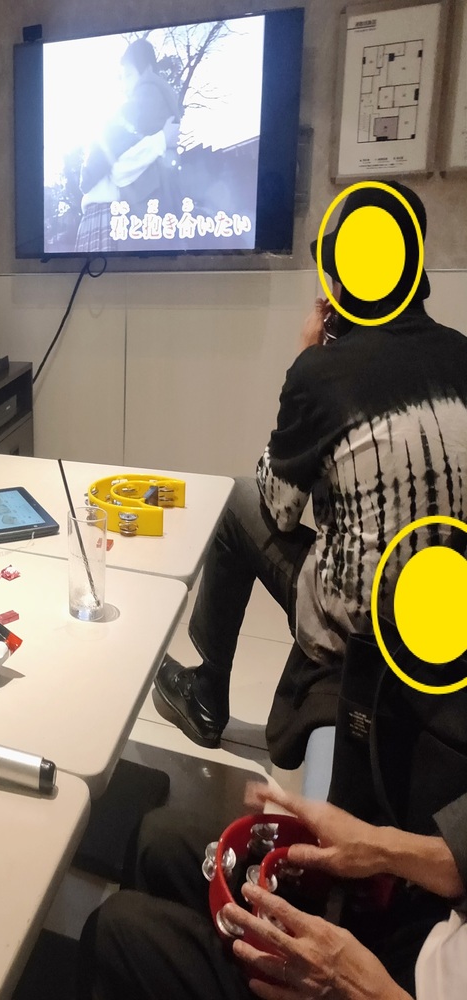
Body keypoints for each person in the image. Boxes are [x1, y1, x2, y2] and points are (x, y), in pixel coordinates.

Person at [153, 182, 467, 765]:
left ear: (345, 281)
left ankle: (206, 693)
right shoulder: (461, 354)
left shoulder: (322, 373)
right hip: (450, 627)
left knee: (236, 501)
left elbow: (279, 507)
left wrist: (306, 360)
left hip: (362, 636)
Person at [78, 783, 467, 999]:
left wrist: (368, 991)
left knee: (115, 929)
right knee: (159, 840)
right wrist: (382, 847)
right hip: (423, 917)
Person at [75, 39, 181, 252]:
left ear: (147, 72)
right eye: (122, 78)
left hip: (104, 214)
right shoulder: (137, 116)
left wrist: (161, 139)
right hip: (103, 213)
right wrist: (162, 138)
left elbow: (117, 170)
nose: (125, 86)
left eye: (129, 76)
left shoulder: (143, 105)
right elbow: (114, 167)